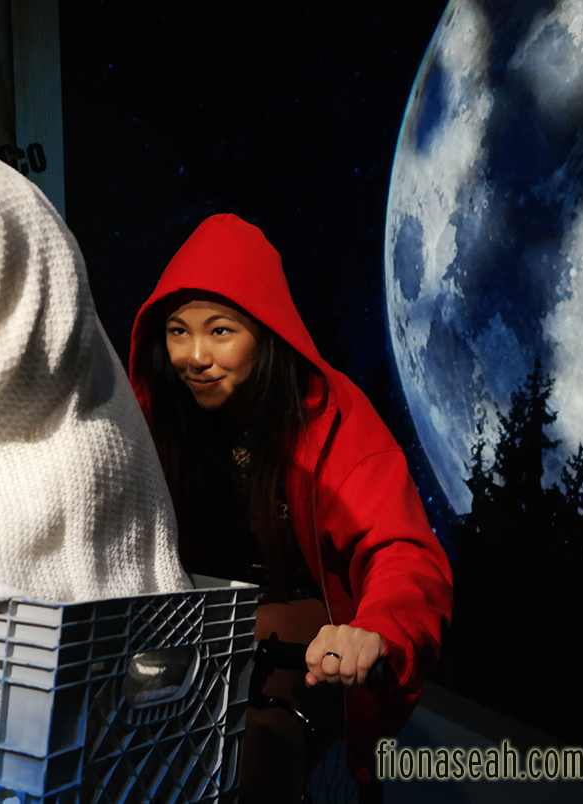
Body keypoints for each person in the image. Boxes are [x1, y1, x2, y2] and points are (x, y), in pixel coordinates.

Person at [128, 213, 453, 800]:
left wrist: (377, 631)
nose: (195, 355)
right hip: (191, 611)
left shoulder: (333, 422)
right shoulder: (155, 415)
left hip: (300, 621)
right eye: (178, 331)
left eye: (220, 331)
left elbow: (400, 550)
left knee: (258, 696)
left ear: (266, 331)